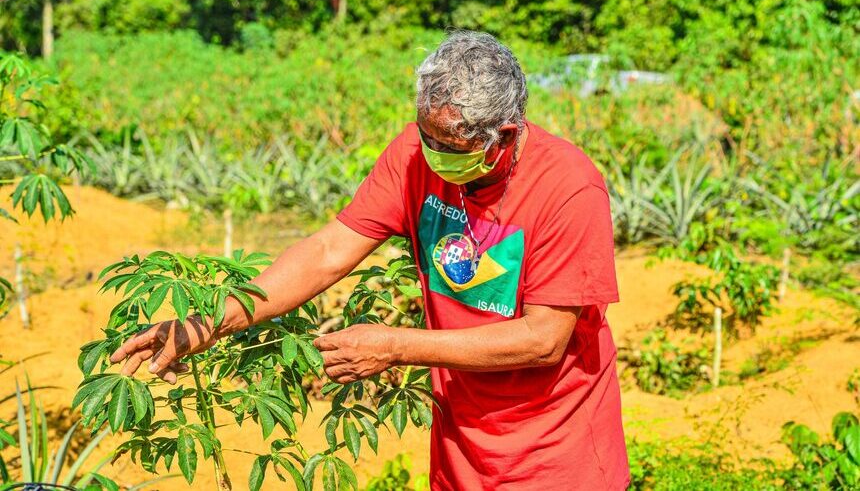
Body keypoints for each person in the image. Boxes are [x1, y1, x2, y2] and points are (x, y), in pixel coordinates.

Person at [109, 30, 631, 490]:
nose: (432, 154)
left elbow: (543, 340)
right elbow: (329, 250)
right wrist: (206, 325)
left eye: (450, 145)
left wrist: (394, 346)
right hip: (461, 445)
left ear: (506, 136)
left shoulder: (569, 188)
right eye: (426, 135)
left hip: (556, 454)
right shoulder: (414, 154)